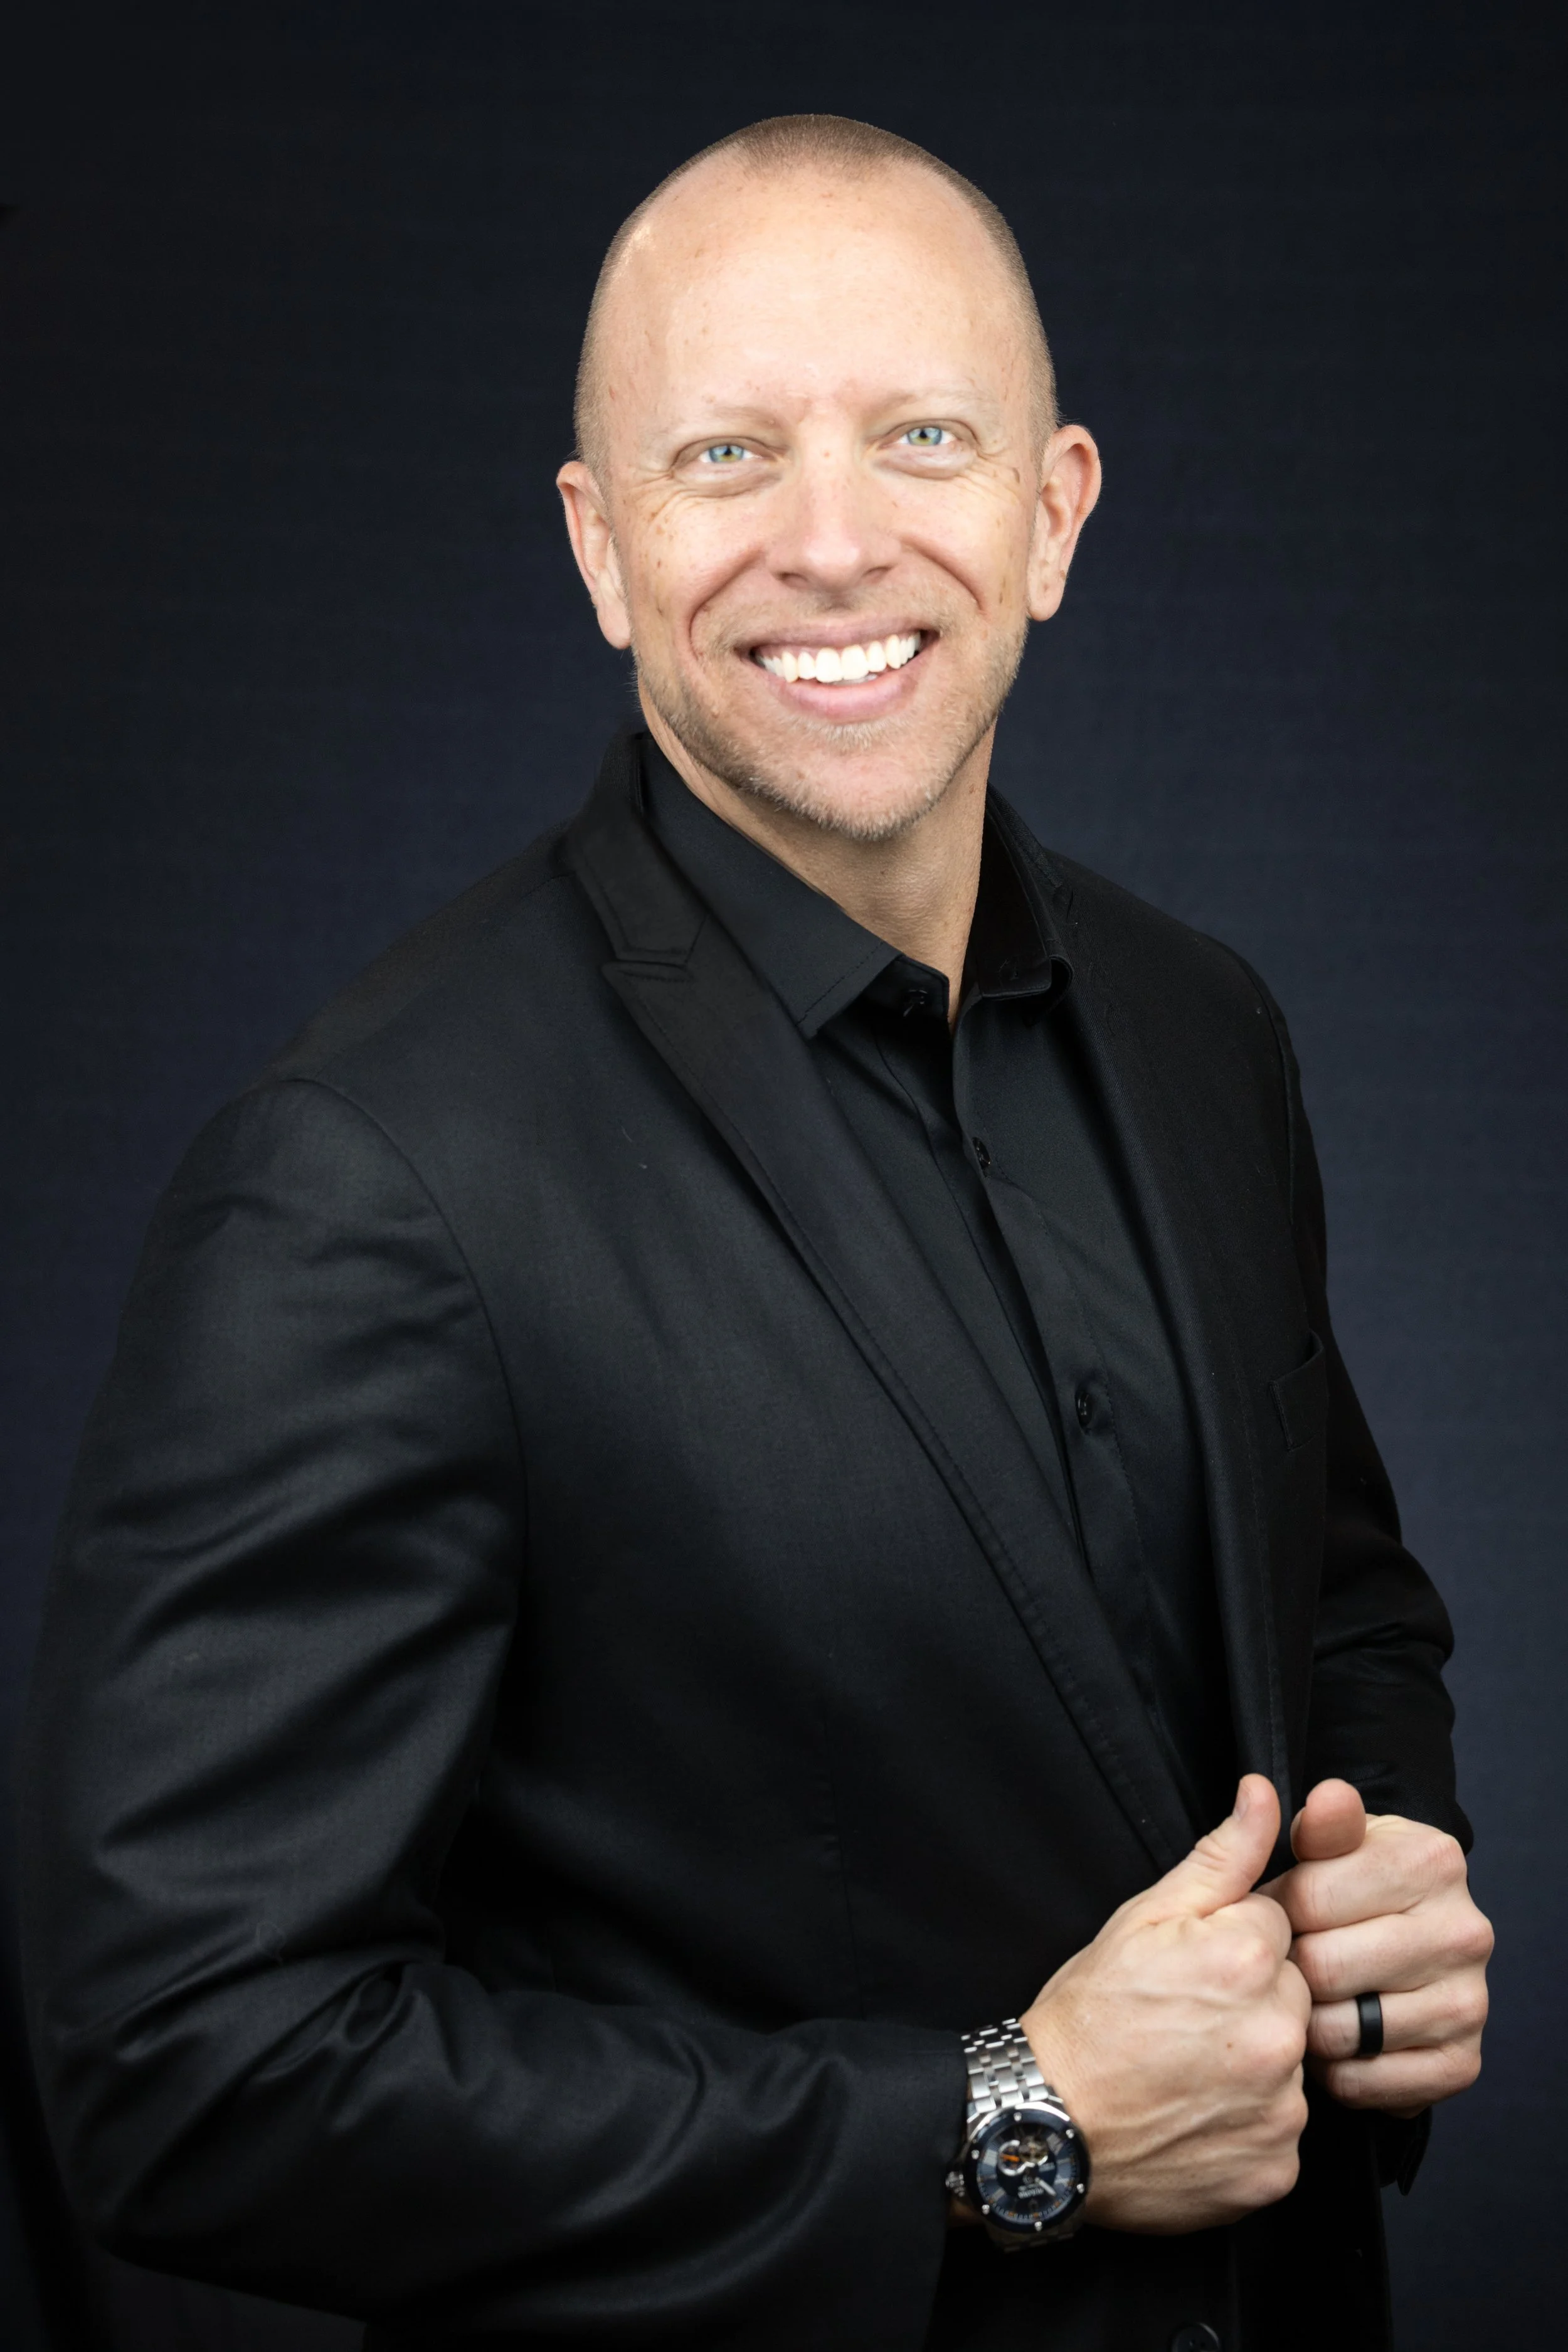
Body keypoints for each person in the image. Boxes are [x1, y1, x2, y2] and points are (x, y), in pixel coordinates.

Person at [20, 114, 1491, 2352]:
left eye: (920, 435)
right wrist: (1013, 2115)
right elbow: (185, 2073)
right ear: (602, 550)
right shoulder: (365, 1174)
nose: (832, 541)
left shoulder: (1208, 1027)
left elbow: (1336, 1602)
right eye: (724, 456)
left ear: (1052, 510)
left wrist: (1376, 1896)